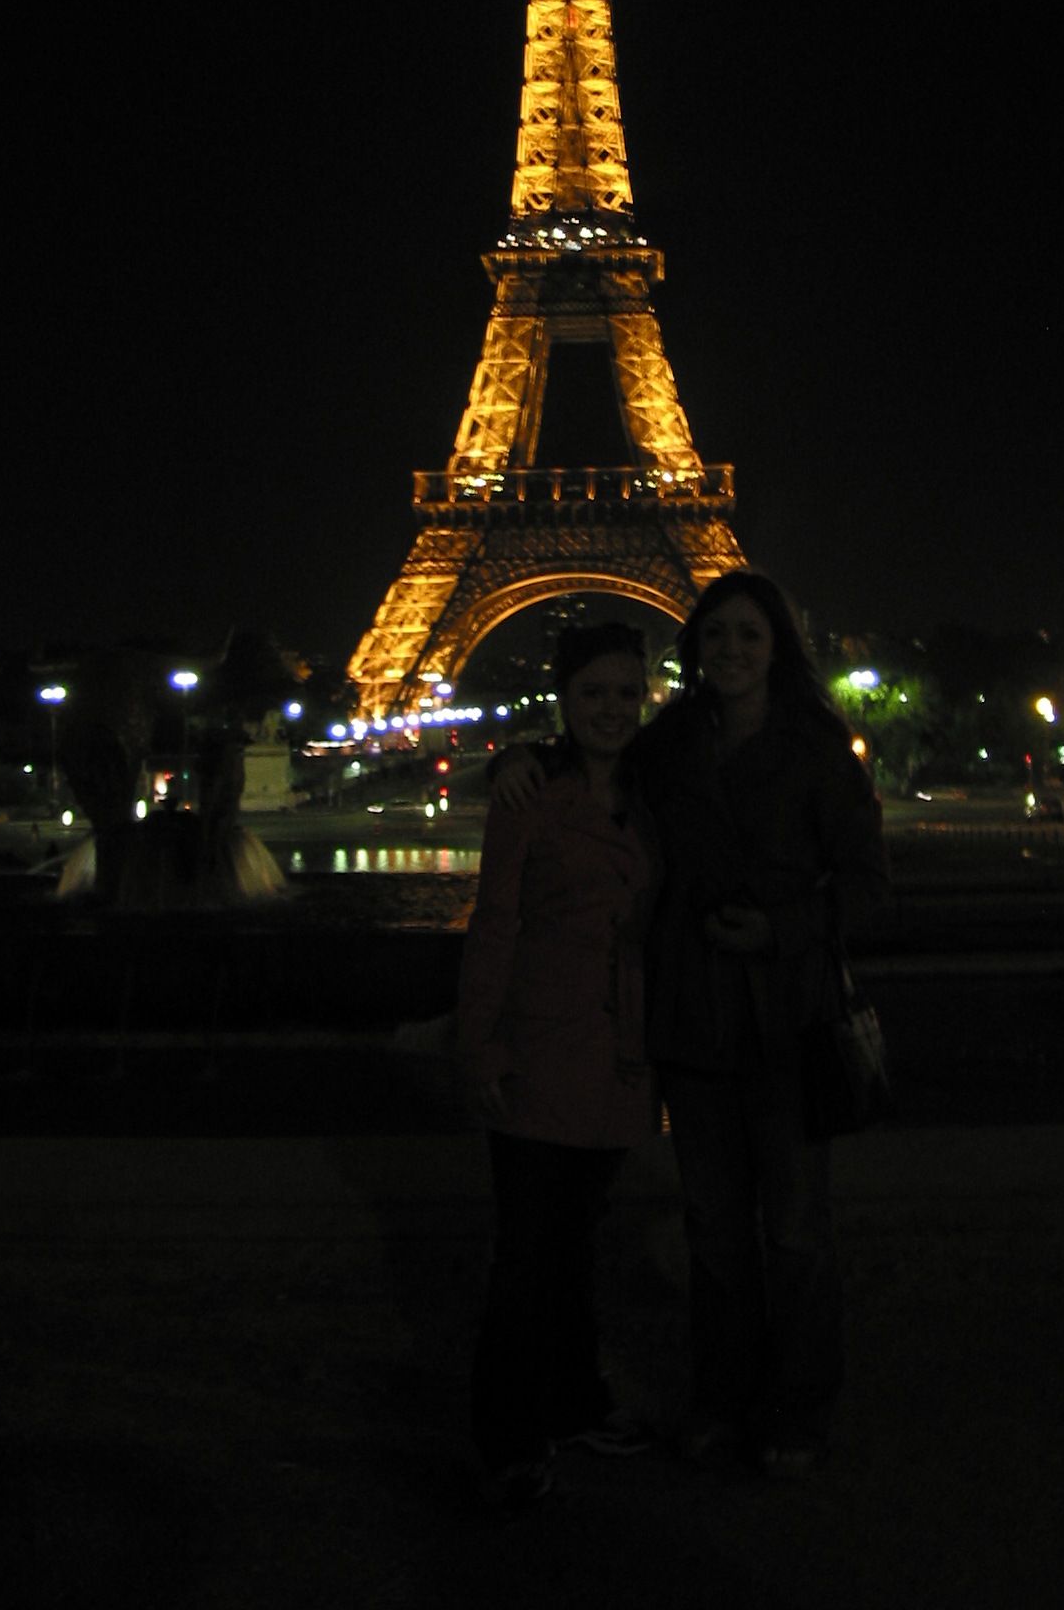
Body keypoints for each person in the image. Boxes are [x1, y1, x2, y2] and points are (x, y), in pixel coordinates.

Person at [494, 570, 889, 1477]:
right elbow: (593, 751)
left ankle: (794, 1410)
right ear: (697, 649)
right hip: (699, 1022)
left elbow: (868, 883)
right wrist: (515, 757)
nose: (733, 652)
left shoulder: (819, 750)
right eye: (717, 638)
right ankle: (721, 1399)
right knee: (715, 1229)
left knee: (793, 1230)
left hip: (787, 1019)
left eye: (750, 636)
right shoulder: (668, 744)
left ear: (776, 646)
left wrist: (783, 928)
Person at [458, 620, 662, 1508]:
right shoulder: (530, 793)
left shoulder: (663, 794)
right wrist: (480, 1042)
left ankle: (573, 1400)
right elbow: (493, 923)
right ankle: (511, 1431)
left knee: (572, 1243)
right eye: (593, 693)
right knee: (528, 1253)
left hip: (620, 1052)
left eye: (627, 692)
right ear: (564, 702)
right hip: (542, 1047)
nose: (611, 709)